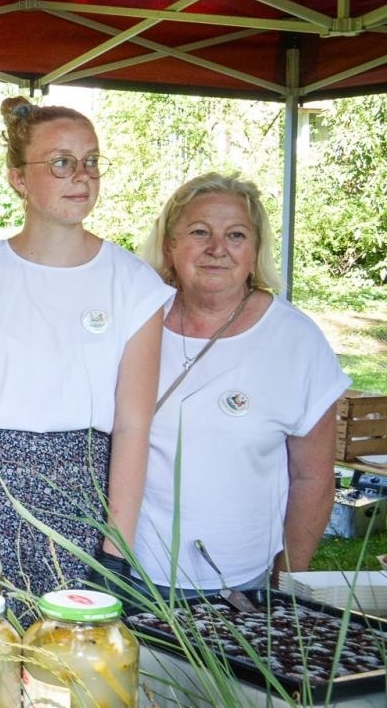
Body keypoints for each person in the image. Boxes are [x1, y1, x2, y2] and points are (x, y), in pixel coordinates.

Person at [0, 98, 171, 622]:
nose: (81, 176)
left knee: (68, 673)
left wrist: (116, 549)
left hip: (83, 501)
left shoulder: (134, 285)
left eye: (91, 161)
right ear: (18, 179)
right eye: (61, 162)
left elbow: (134, 425)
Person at [131, 173, 348, 591]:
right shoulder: (135, 322)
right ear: (170, 244)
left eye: (236, 235)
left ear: (255, 250)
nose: (217, 249)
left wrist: (287, 586)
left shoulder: (295, 339)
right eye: (199, 232)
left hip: (240, 583)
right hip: (125, 569)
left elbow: (313, 478)